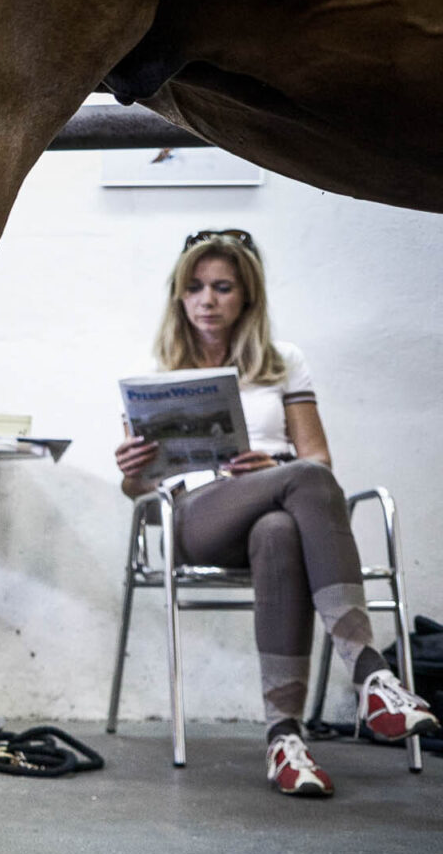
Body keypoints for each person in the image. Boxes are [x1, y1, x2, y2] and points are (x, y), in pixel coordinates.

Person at [114, 229, 436, 796]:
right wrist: (132, 467)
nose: (207, 300)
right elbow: (138, 489)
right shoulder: (154, 368)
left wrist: (275, 461)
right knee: (303, 483)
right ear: (178, 297)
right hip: (196, 519)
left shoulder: (284, 361)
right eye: (194, 288)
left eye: (222, 287)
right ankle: (370, 674)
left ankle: (284, 739)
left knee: (279, 529)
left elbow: (317, 458)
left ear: (247, 297)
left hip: (268, 510)